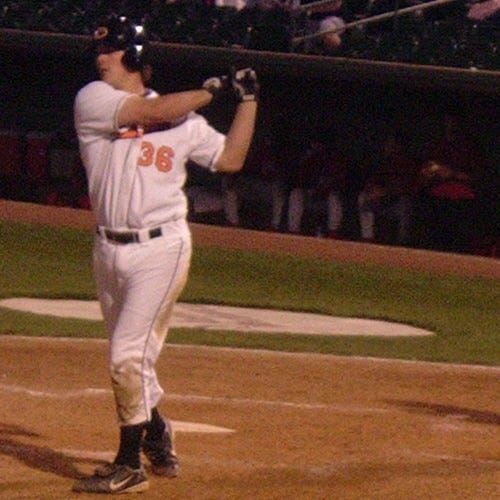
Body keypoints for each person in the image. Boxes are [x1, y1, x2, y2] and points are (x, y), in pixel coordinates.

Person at [72, 14, 258, 494]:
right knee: (134, 362)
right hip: (107, 249)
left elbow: (230, 160)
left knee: (125, 356)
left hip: (162, 248)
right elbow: (150, 114)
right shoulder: (94, 100)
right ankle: (156, 431)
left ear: (135, 57)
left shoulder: (187, 123)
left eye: (111, 49)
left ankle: (129, 463)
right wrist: (211, 91)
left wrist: (249, 102)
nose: (101, 57)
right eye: (100, 48)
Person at [413, 112, 486, 254]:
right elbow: (425, 171)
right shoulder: (438, 144)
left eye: (455, 122)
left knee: (458, 235)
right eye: (448, 122)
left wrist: (452, 173)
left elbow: (477, 177)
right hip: (437, 196)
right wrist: (429, 173)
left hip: (462, 198)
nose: (451, 125)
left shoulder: (469, 147)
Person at [357, 132, 418, 245]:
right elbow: (372, 181)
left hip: (398, 202)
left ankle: (403, 244)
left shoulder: (408, 163)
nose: (386, 147)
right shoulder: (385, 162)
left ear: (398, 147)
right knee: (363, 197)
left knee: (406, 204)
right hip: (384, 202)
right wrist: (371, 190)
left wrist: (386, 192)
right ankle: (368, 239)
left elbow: (410, 188)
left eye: (390, 144)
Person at [287, 137, 346, 237]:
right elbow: (298, 180)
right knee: (296, 194)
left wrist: (321, 190)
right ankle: (293, 232)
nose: (316, 147)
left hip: (326, 200)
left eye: (319, 145)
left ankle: (333, 233)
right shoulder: (308, 160)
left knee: (334, 198)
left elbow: (339, 183)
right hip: (309, 198)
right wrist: (308, 190)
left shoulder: (334, 160)